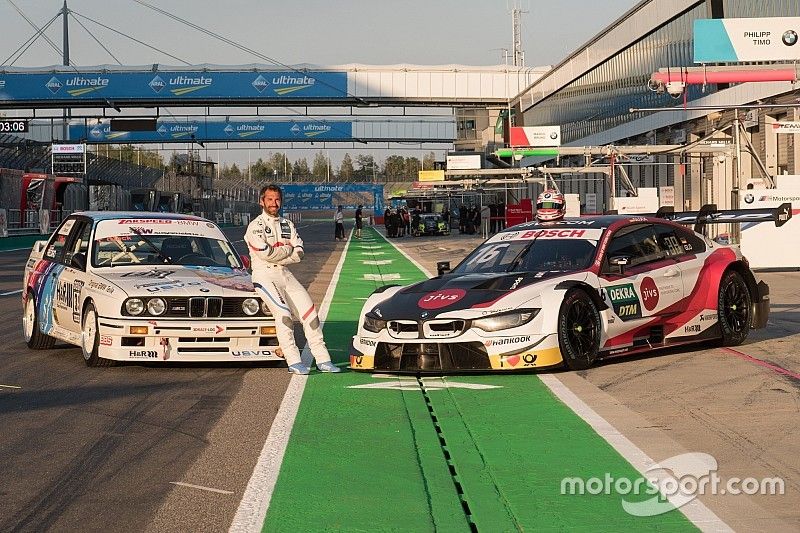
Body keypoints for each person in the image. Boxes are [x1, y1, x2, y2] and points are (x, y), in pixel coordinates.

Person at [246, 184, 341, 374]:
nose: (274, 203)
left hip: (284, 273)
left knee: (311, 316)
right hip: (263, 275)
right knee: (284, 316)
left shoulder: (287, 224)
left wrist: (281, 252)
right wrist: (287, 249)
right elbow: (265, 254)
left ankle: (323, 360)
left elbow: (300, 253)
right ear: (261, 201)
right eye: (270, 199)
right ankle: (293, 360)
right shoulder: (255, 226)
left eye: (277, 199)